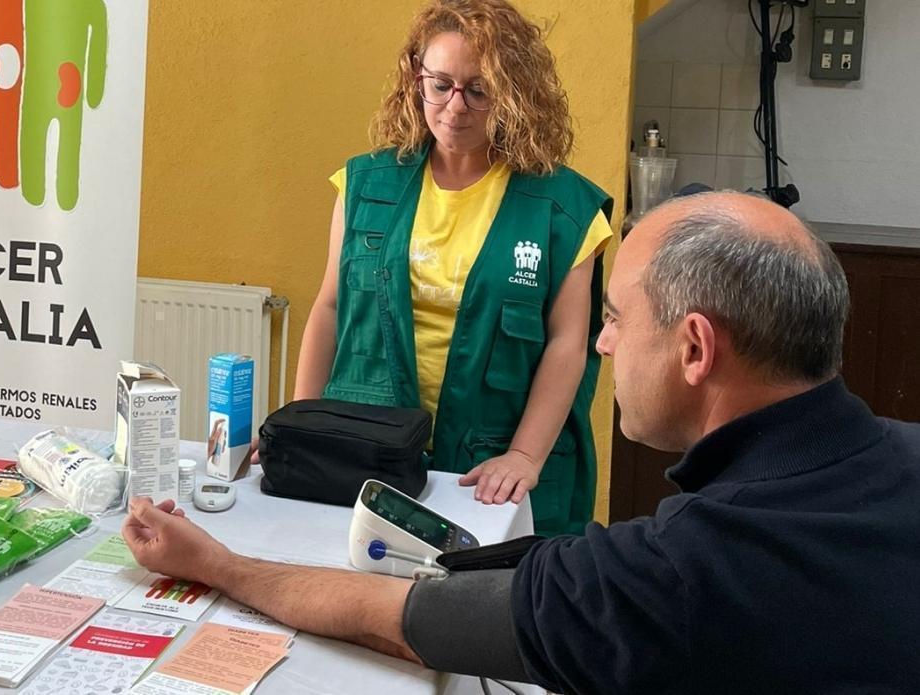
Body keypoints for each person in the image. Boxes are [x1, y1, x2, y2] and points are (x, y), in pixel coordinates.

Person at [124, 191, 920, 693]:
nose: (602, 347)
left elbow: (400, 615)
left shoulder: (681, 571)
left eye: (614, 319)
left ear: (695, 350)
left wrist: (214, 563)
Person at [292, 0, 614, 535]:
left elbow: (567, 345)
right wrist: (302, 427)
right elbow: (329, 307)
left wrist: (525, 458)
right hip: (371, 454)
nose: (455, 106)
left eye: (479, 89)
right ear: (416, 81)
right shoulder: (364, 186)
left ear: (513, 92)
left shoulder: (564, 208)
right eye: (439, 84)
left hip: (490, 469)